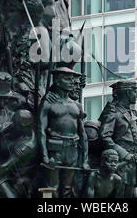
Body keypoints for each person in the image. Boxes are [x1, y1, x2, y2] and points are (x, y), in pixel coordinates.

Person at [38, 67, 89, 197]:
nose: (72, 82)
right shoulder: (48, 102)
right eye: (67, 79)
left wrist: (85, 160)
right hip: (55, 149)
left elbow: (83, 134)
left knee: (67, 189)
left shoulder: (77, 105)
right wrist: (45, 156)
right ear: (57, 82)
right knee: (50, 189)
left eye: (73, 79)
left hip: (72, 150)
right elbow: (41, 130)